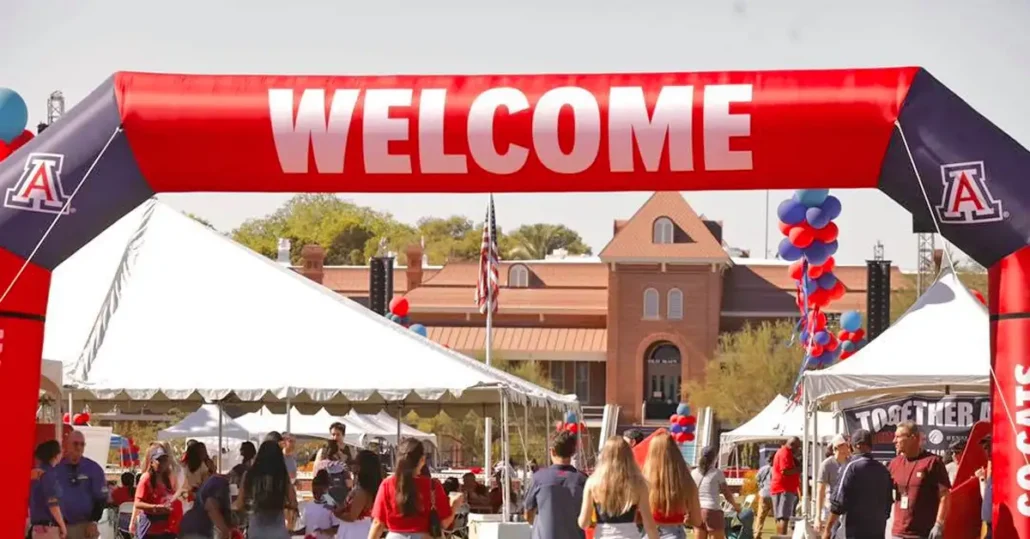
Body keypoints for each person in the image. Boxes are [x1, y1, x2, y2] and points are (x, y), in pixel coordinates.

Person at [369, 437, 462, 539]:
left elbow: (378, 523)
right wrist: (454, 505)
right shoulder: (433, 486)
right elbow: (444, 523)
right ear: (422, 459)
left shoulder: (387, 484)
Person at [577, 436, 659, 539]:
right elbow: (649, 525)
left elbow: (583, 523)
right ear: (629, 456)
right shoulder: (638, 484)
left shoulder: (593, 483)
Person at [822, 429, 893, 539]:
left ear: (857, 445)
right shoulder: (883, 469)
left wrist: (827, 529)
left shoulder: (851, 467)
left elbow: (838, 503)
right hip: (878, 530)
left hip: (854, 531)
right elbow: (888, 504)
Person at [888, 421, 950, 539]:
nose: (894, 441)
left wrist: (939, 524)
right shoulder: (894, 463)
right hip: (898, 533)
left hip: (923, 534)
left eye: (898, 437)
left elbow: (945, 495)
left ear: (913, 438)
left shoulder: (932, 462)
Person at [525, 431, 588, 539]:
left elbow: (528, 514)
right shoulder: (582, 479)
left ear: (552, 451)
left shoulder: (538, 478)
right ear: (573, 452)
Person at [233, 440, 298, 538]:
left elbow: (239, 504)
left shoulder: (249, 475)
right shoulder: (282, 476)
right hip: (278, 532)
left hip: (256, 531)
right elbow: (293, 503)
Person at [643, 432, 702, 539]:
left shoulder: (644, 481)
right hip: (675, 533)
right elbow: (697, 520)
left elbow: (636, 517)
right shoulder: (687, 482)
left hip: (650, 532)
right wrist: (687, 519)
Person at [56, 430, 109, 539]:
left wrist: (93, 522)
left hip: (84, 527)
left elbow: (101, 499)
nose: (79, 447)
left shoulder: (93, 468)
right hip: (58, 527)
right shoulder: (56, 468)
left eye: (82, 444)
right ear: (66, 444)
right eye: (75, 443)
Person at [691, 446, 740, 539]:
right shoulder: (717, 473)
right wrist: (736, 506)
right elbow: (727, 494)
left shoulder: (693, 473)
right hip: (712, 510)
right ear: (714, 458)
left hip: (697, 510)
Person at [335, 450, 383, 539]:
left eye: (356, 463)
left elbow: (352, 516)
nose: (353, 466)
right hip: (356, 529)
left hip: (357, 532)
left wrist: (337, 514)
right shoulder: (362, 487)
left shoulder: (363, 491)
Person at [134, 446, 177, 539]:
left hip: (166, 528)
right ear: (152, 462)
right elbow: (137, 503)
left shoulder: (167, 479)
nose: (162, 463)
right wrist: (157, 507)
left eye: (165, 460)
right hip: (150, 529)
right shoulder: (146, 478)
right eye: (159, 460)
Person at [29, 440, 66, 539]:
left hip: (37, 527)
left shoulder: (35, 474)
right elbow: (52, 503)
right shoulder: (49, 475)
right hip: (48, 529)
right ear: (55, 455)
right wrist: (62, 525)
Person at [815, 435, 852, 534]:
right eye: (845, 445)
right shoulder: (826, 465)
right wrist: (817, 516)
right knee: (829, 533)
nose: (849, 447)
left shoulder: (851, 463)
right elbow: (820, 491)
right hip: (831, 507)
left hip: (848, 509)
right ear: (837, 447)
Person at [179, 474, 234, 539]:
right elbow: (210, 504)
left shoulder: (213, 481)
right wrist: (225, 530)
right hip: (198, 530)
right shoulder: (221, 482)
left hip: (190, 527)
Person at [769, 437, 802, 536]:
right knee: (784, 517)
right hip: (784, 489)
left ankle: (780, 536)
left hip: (779, 488)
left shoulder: (782, 452)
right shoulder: (785, 452)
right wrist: (798, 469)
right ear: (793, 445)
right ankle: (782, 537)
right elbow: (785, 471)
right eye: (798, 447)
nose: (798, 450)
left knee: (780, 517)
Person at [304, 471, 340, 538]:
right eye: (314, 492)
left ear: (326, 489)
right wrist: (293, 532)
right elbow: (307, 527)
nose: (317, 495)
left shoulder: (331, 505)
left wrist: (323, 531)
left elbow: (337, 528)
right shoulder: (309, 505)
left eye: (321, 492)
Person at [977, 436, 992, 539]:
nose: (987, 451)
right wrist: (981, 478)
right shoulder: (993, 473)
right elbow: (985, 496)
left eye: (989, 447)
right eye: (985, 448)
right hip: (989, 526)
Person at [753, 461, 773, 539]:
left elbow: (757, 478)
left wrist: (761, 486)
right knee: (778, 517)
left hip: (763, 493)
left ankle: (756, 534)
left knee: (760, 516)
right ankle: (780, 534)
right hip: (774, 494)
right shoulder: (776, 469)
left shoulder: (763, 468)